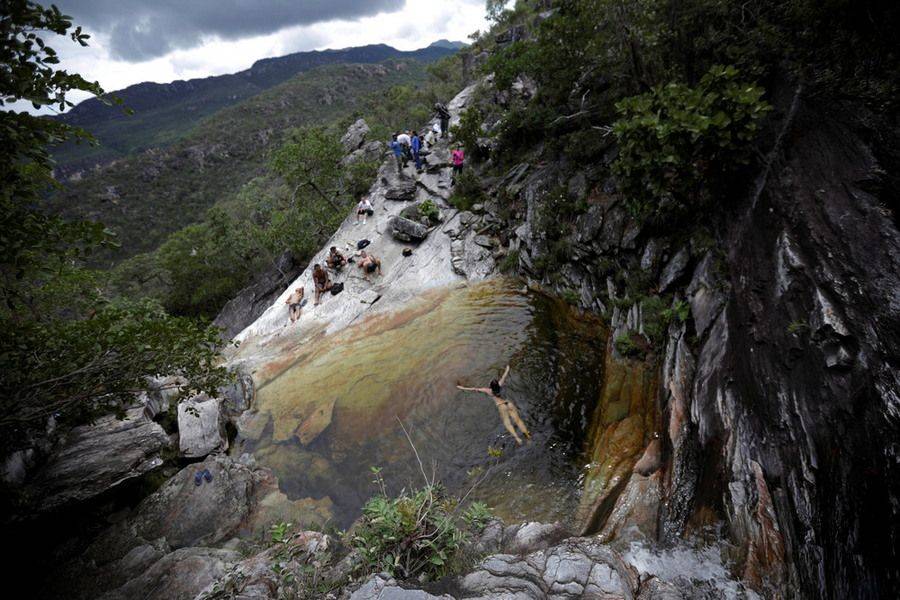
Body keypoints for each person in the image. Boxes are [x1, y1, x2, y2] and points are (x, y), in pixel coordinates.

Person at [457, 365, 531, 444]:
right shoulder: (500, 384)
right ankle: (528, 436)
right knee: (518, 420)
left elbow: (474, 389)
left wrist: (461, 388)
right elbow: (504, 375)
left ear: (491, 387)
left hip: (501, 406)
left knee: (507, 423)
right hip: (508, 403)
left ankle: (518, 439)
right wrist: (507, 368)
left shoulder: (488, 391)